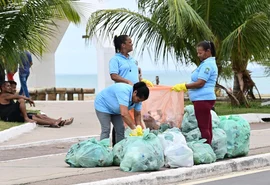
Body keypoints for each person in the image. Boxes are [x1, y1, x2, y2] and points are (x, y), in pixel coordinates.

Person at [172, 40, 218, 145]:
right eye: (198, 53)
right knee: (207, 124)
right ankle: (208, 145)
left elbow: (200, 83)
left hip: (203, 99)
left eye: (200, 53)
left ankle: (207, 147)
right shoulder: (206, 63)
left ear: (208, 51)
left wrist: (185, 86)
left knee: (203, 126)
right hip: (202, 99)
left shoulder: (208, 65)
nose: (198, 55)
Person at [0, 81, 74, 127]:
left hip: (11, 114)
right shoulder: (3, 95)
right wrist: (28, 99)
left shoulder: (8, 95)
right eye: (8, 86)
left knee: (39, 115)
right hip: (8, 117)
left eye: (10, 86)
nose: (10, 88)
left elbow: (14, 106)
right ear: (2, 88)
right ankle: (52, 122)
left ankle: (58, 122)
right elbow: (17, 96)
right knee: (21, 100)